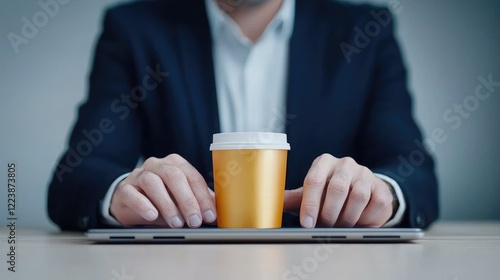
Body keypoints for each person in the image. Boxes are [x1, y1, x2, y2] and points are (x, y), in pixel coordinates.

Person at [47, 0, 438, 231]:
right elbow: (77, 178)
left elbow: (412, 170)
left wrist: (383, 194)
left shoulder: (364, 30)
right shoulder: (135, 29)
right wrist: (123, 194)